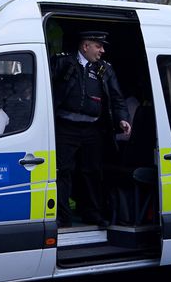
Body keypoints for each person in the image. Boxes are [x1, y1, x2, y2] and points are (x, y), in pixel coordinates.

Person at [50, 30, 131, 228]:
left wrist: (122, 119)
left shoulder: (104, 69)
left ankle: (92, 213)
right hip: (65, 127)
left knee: (91, 171)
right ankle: (63, 217)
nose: (102, 51)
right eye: (98, 46)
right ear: (85, 46)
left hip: (92, 129)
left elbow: (117, 97)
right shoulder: (63, 62)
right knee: (63, 172)